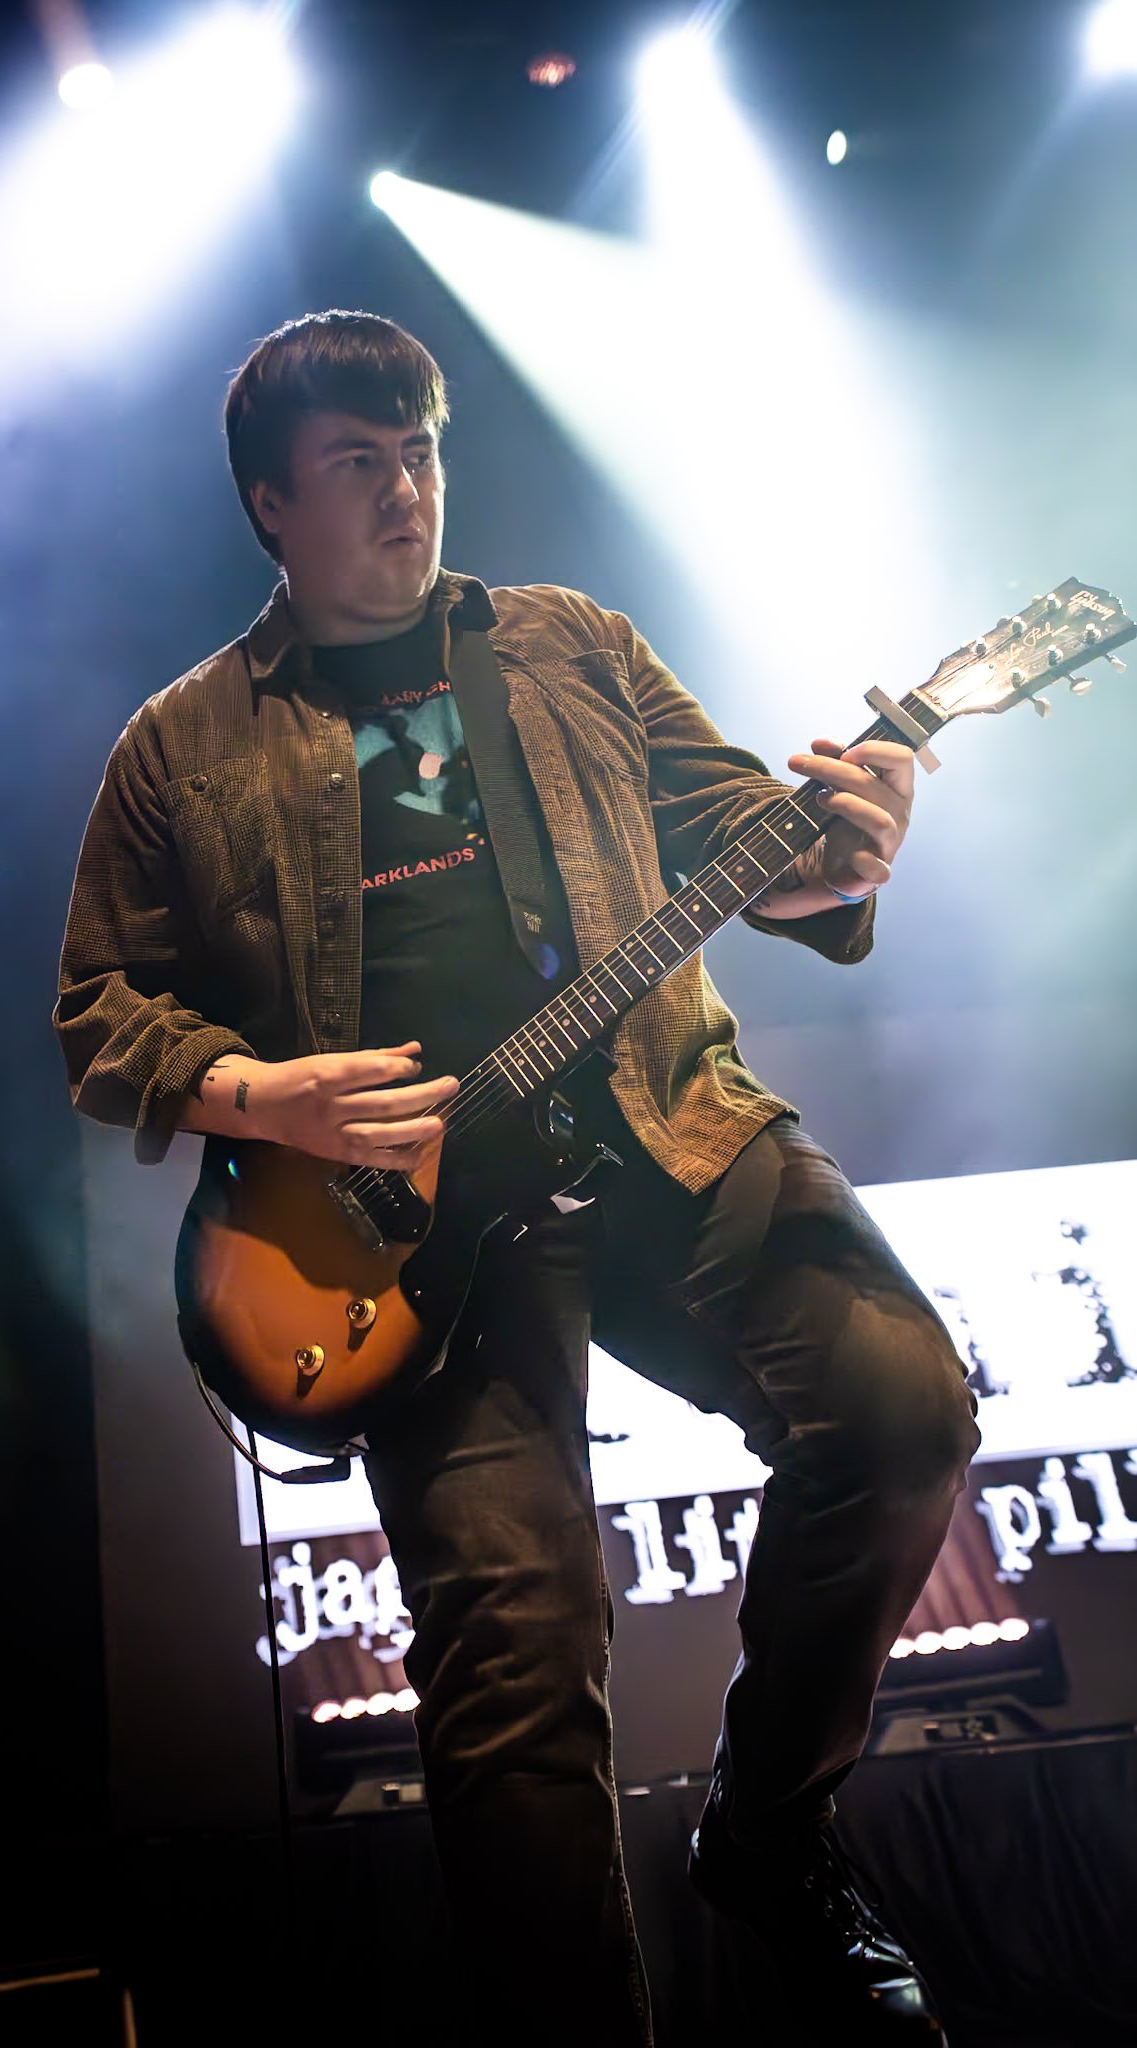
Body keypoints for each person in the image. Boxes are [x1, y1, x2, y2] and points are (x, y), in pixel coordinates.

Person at [55, 310, 980, 2045]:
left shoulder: (570, 644)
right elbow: (100, 1012)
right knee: (513, 1668)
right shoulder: (180, 744)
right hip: (400, 1237)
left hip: (662, 1125)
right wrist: (264, 1097)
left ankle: (768, 1841)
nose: (405, 490)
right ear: (270, 504)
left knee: (901, 1409)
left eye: (418, 450)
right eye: (357, 463)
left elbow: (754, 851)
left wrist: (846, 852)